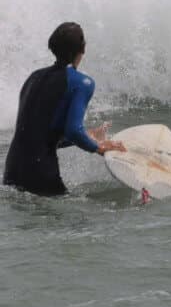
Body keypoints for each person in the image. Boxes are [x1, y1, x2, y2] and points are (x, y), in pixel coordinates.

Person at [3, 22, 125, 196]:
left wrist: (89, 135)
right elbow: (74, 130)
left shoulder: (33, 78)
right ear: (83, 48)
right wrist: (99, 147)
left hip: (12, 171)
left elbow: (37, 136)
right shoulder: (82, 83)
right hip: (41, 173)